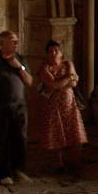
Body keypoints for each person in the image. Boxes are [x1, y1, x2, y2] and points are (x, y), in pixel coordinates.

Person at [0, 30, 34, 186]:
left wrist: (19, 67)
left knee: (20, 138)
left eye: (17, 41)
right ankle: (3, 173)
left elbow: (29, 82)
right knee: (0, 140)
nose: (16, 43)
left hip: (19, 107)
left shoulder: (20, 59)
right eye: (12, 41)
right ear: (2, 43)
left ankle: (18, 170)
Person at [37, 40, 88, 171]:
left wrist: (59, 83)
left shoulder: (68, 64)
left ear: (61, 53)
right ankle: (58, 164)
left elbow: (74, 83)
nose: (53, 53)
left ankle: (75, 162)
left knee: (75, 132)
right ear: (47, 54)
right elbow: (55, 84)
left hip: (70, 104)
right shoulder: (44, 68)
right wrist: (68, 79)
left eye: (56, 50)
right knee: (56, 134)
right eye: (50, 51)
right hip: (53, 106)